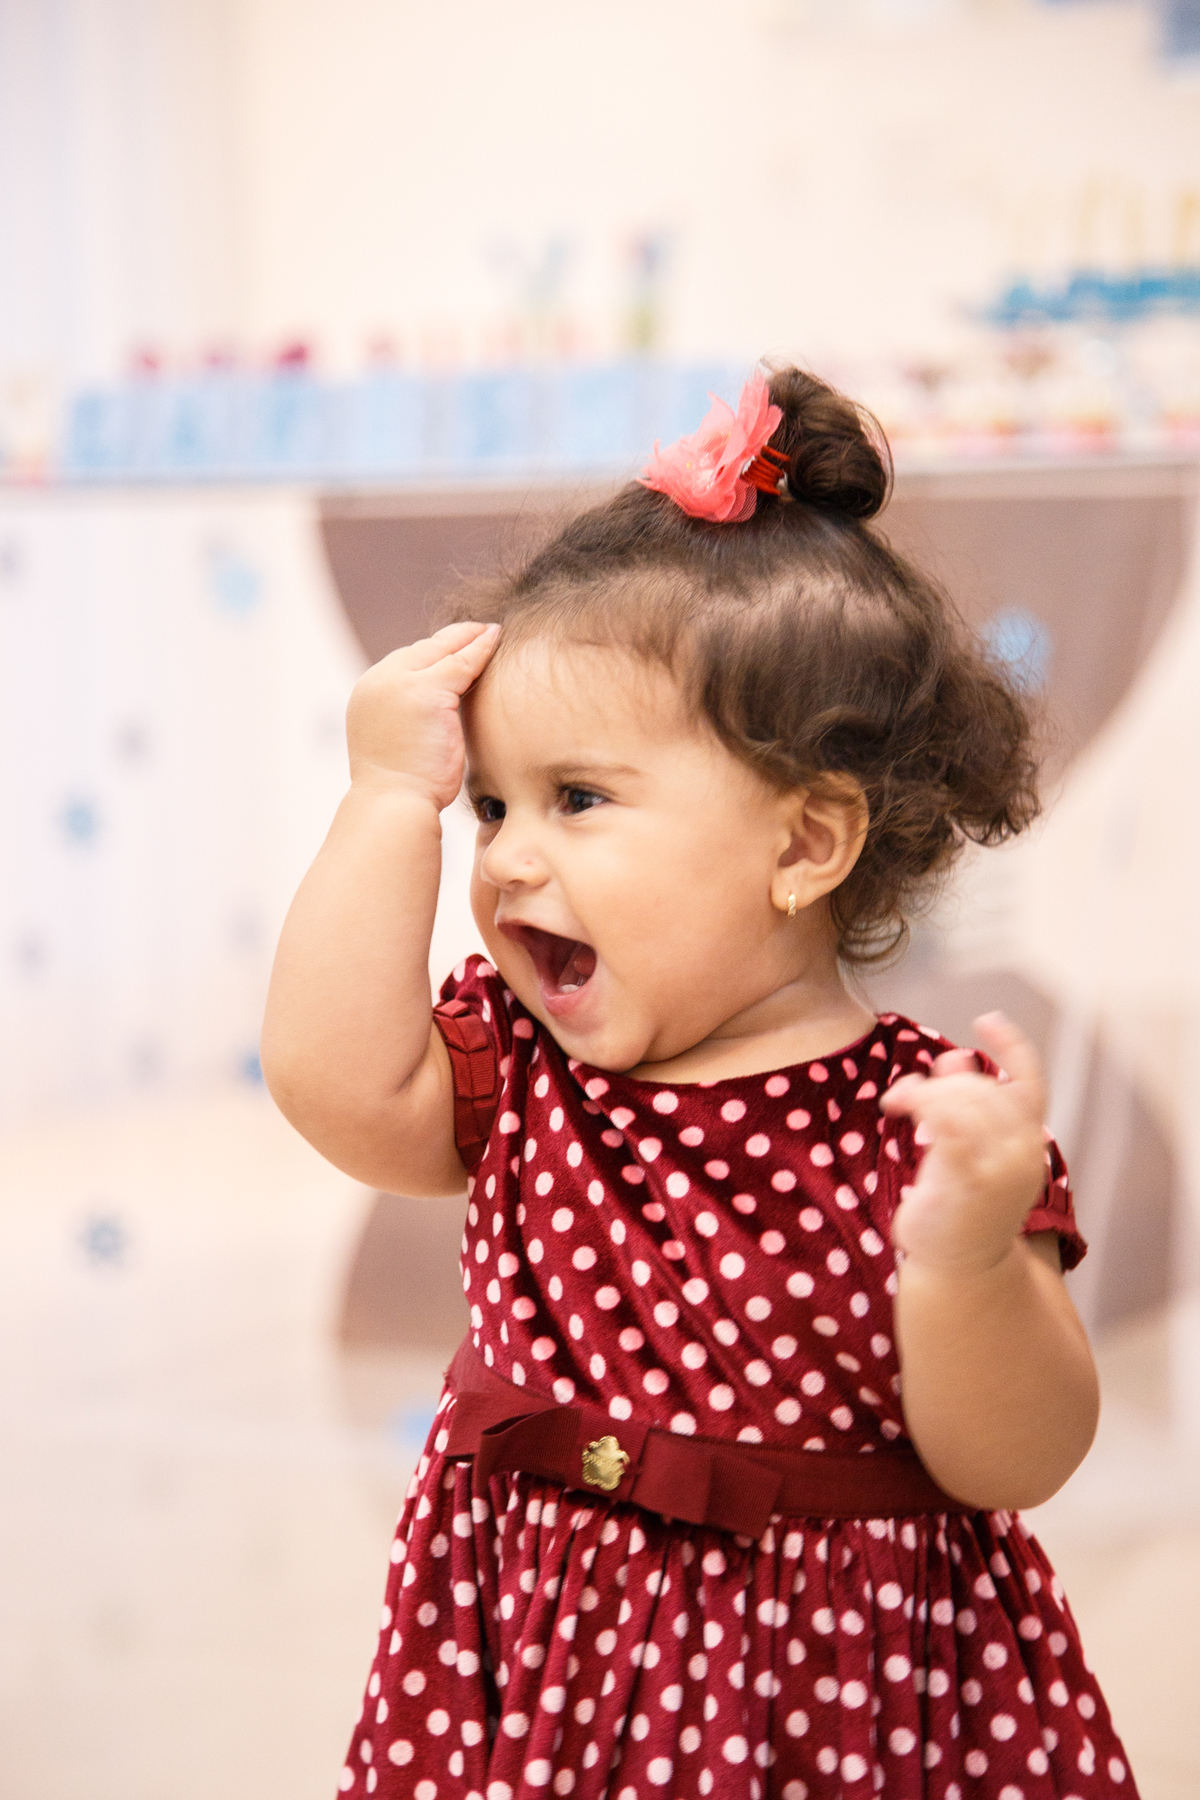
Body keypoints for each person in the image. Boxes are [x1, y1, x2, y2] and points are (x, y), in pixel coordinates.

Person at [261, 366, 1137, 1800]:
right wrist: (383, 806)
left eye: (579, 799)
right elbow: (334, 1087)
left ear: (803, 845)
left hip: (834, 1696)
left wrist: (969, 1258)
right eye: (492, 803)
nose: (510, 857)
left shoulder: (932, 1130)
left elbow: (1015, 1459)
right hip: (535, 1661)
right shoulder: (526, 1067)